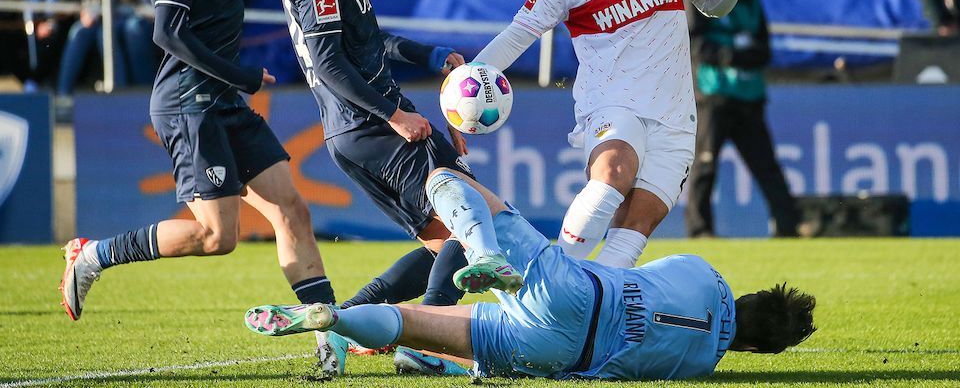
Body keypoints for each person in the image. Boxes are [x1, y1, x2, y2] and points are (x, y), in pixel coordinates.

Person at [60, 0, 337, 356]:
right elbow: (166, 31)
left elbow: (170, 0)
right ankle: (93, 255)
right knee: (218, 236)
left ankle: (329, 339)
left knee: (292, 209)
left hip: (222, 100)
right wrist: (242, 75)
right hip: (189, 104)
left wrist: (233, 84)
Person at [276, 0, 521, 371]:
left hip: (356, 131)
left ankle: (341, 323)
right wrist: (396, 115)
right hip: (373, 127)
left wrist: (427, 55)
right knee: (468, 228)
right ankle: (426, 343)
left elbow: (364, 41)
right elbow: (329, 65)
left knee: (443, 248)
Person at [244, 168, 817, 380]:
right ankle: (336, 319)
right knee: (411, 325)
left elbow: (635, 270)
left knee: (447, 181)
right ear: (755, 352)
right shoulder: (701, 366)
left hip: (573, 292)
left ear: (750, 295)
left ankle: (484, 251)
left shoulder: (703, 271)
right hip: (561, 354)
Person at [474, 0, 748, 268]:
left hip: (676, 116)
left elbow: (714, 3)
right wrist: (470, 80)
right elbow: (518, 35)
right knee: (613, 174)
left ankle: (583, 312)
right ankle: (547, 277)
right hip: (613, 104)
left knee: (633, 230)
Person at [686, 0, 802, 238]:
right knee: (705, 165)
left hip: (750, 97)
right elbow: (696, 45)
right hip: (714, 96)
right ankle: (700, 230)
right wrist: (736, 55)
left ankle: (788, 226)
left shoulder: (751, 0)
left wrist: (732, 54)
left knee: (767, 167)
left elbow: (764, 51)